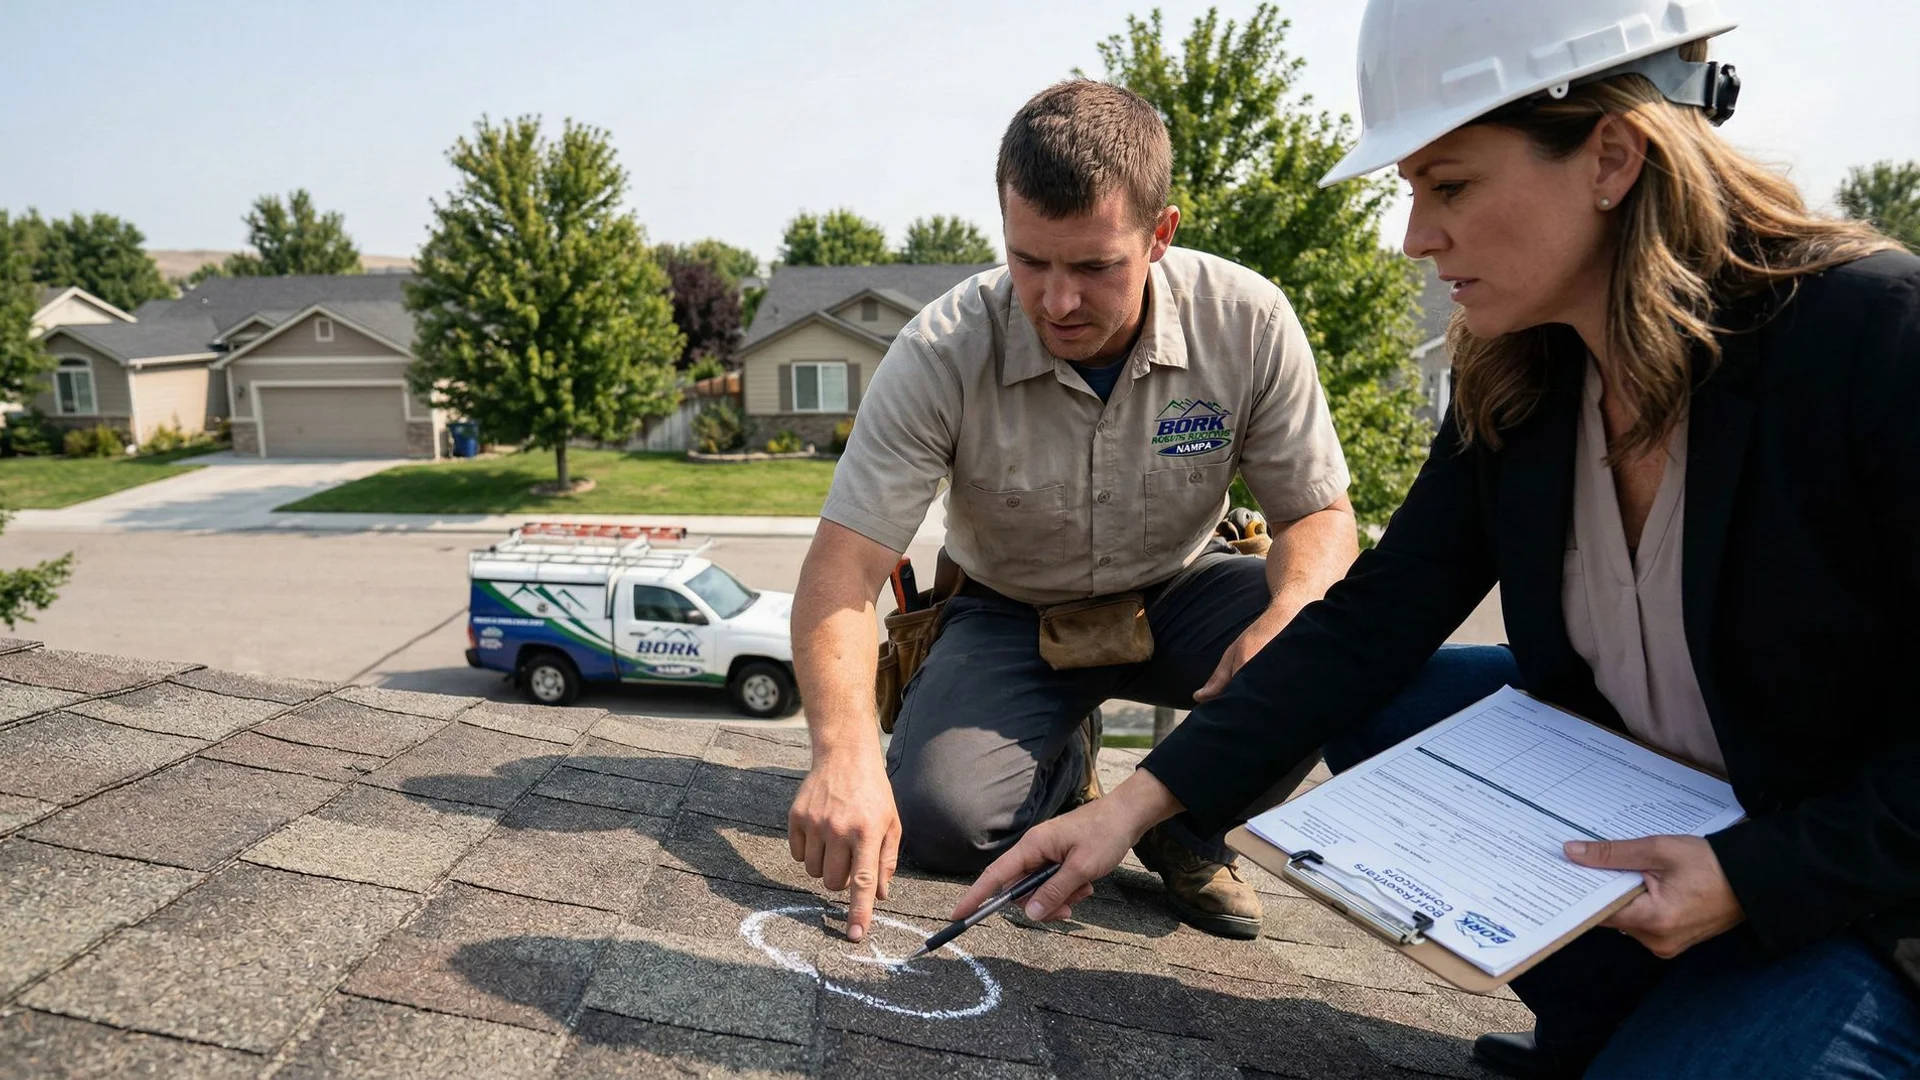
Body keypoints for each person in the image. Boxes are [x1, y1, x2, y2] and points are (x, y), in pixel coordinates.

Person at [955, 2, 1920, 1077]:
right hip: (1679, 834)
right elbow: (1373, 624)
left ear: (1611, 155)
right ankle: (1608, 1021)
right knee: (1401, 700)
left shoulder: (1875, 338)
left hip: (1864, 896)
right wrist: (1135, 807)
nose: (1415, 237)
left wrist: (1758, 875)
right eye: (1409, 189)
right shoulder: (1526, 371)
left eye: (1450, 186)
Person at [786, 80, 1359, 946]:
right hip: (1011, 611)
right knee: (938, 819)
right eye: (1029, 261)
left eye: (1094, 267)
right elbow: (841, 573)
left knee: (1343, 638)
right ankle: (1067, 765)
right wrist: (844, 754)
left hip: (1184, 592)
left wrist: (1292, 607)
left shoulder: (1249, 321)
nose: (1056, 302)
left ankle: (1187, 823)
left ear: (1160, 234)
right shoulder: (942, 349)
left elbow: (1320, 519)